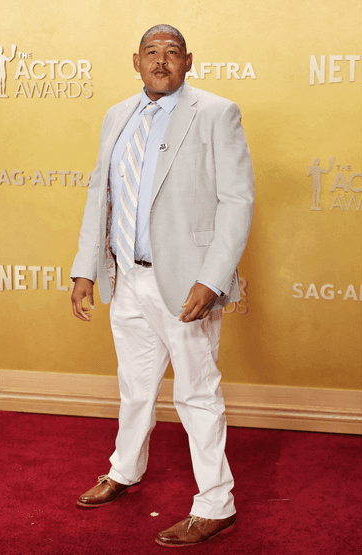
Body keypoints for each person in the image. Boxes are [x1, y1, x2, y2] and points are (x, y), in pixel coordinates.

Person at [69, 24, 254, 548]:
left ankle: (216, 504)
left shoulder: (217, 112)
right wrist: (87, 268)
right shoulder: (116, 116)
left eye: (172, 53)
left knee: (197, 394)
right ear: (136, 60)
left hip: (186, 285)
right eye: (152, 52)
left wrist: (212, 279)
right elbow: (97, 196)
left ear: (188, 61)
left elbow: (237, 202)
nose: (161, 61)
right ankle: (124, 471)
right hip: (126, 278)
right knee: (135, 386)